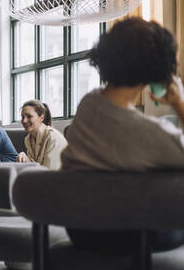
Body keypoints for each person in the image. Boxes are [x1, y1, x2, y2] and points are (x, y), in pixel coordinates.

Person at [61, 17, 184, 254]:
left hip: (81, 229)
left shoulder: (87, 104)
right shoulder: (148, 133)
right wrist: (179, 103)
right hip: (134, 233)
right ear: (158, 69)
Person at [16, 100, 67, 170]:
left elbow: (49, 173)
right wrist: (26, 159)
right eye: (22, 117)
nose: (24, 121)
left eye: (29, 116)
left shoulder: (53, 138)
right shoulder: (28, 139)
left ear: (41, 118)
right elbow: (37, 166)